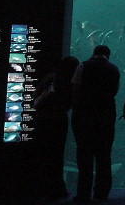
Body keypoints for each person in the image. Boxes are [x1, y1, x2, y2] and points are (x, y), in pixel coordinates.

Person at [71, 45, 120, 203]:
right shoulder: (114, 69)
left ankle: (83, 193)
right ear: (108, 55)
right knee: (104, 155)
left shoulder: (82, 66)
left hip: (84, 114)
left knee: (84, 155)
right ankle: (102, 193)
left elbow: (75, 87)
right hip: (106, 115)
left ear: (94, 53)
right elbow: (114, 91)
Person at [34, 55, 79, 200]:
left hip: (44, 120)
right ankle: (56, 189)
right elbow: (71, 103)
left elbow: (36, 98)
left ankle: (42, 188)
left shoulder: (51, 78)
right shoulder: (70, 82)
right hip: (59, 120)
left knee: (44, 153)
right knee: (57, 155)